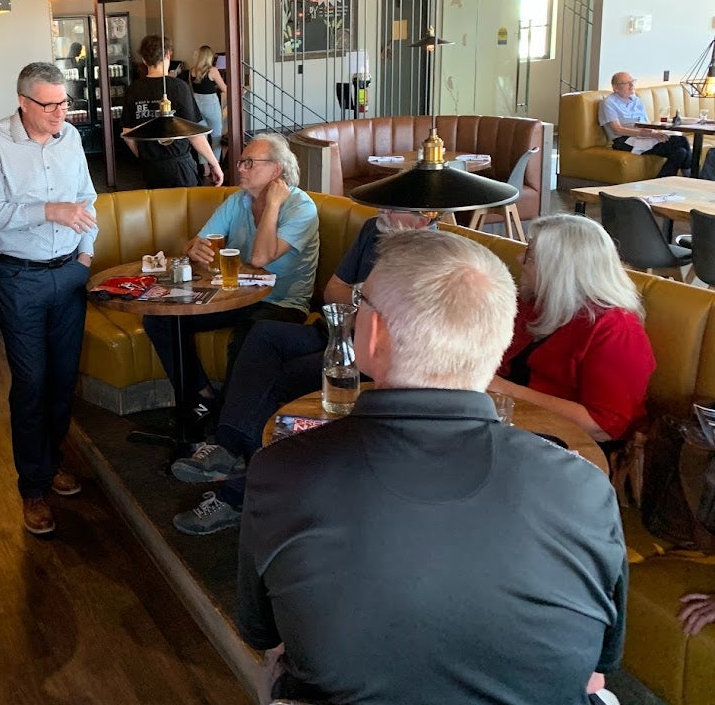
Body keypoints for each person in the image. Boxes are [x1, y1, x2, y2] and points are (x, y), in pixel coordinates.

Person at [237, 229, 627, 704]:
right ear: (498, 340)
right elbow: (599, 663)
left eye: (361, 303)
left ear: (374, 333)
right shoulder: (586, 487)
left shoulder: (281, 471)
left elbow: (263, 631)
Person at [170, 210, 431, 535]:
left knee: (278, 381)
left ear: (424, 216)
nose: (382, 212)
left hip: (364, 355)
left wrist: (363, 300)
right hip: (333, 329)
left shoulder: (433, 253)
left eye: (393, 206)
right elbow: (333, 290)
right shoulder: (372, 229)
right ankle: (227, 447)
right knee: (263, 333)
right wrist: (365, 299)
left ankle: (235, 495)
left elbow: (404, 326)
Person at [0, 62, 97, 536]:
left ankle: (53, 461)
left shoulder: (71, 140)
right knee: (31, 383)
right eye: (49, 105)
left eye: (64, 102)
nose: (59, 113)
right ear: (22, 102)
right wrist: (50, 211)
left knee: (64, 380)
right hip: (19, 277)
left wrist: (86, 254)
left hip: (69, 273)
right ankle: (33, 488)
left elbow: (88, 198)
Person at [143, 133, 319, 425]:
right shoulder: (238, 201)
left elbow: (261, 259)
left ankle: (228, 420)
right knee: (160, 319)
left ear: (276, 170)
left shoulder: (301, 208)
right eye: (241, 162)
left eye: (250, 163)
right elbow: (194, 244)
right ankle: (202, 396)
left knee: (250, 336)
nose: (240, 168)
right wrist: (194, 248)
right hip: (235, 295)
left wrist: (273, 205)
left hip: (282, 302)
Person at [489, 214, 655, 448]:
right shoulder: (536, 302)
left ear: (558, 270)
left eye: (529, 256)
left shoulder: (617, 329)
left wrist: (506, 390)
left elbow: (603, 426)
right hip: (516, 426)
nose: (519, 259)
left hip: (575, 447)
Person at [121, 34, 223, 188]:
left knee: (157, 209)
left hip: (150, 168)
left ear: (143, 59)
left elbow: (128, 134)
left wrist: (144, 157)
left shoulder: (133, 90)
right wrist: (214, 164)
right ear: (168, 54)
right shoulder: (179, 87)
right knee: (184, 210)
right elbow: (194, 135)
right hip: (179, 166)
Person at [599, 72, 691, 177]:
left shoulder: (636, 100)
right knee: (681, 141)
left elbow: (646, 122)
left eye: (632, 82)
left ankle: (661, 181)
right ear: (615, 88)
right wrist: (648, 134)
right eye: (627, 83)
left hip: (645, 136)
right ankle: (691, 177)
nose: (632, 85)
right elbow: (617, 129)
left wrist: (656, 133)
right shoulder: (609, 102)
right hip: (624, 140)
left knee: (681, 152)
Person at [186, 45, 227, 162]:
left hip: (197, 105)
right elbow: (224, 89)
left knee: (201, 137)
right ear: (209, 57)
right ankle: (215, 165)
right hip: (211, 105)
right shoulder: (212, 70)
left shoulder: (192, 71)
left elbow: (198, 87)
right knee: (216, 136)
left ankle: (205, 168)